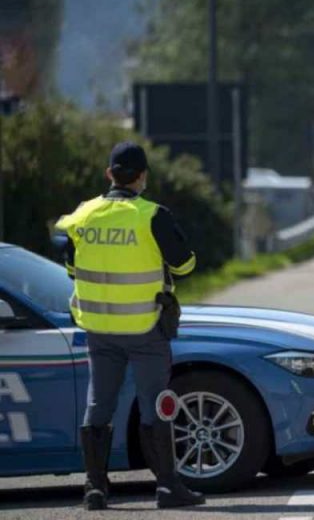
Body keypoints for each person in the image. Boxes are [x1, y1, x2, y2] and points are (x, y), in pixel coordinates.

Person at [55, 142, 205, 511]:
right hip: (144, 327)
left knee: (99, 403)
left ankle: (95, 489)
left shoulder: (83, 215)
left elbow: (71, 265)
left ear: (109, 174)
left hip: (98, 328)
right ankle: (168, 487)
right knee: (157, 404)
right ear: (142, 177)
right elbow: (185, 265)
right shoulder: (152, 215)